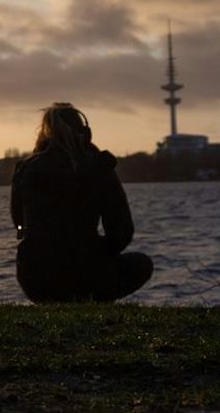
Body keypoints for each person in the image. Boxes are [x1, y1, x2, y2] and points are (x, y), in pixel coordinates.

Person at [10, 102, 153, 303]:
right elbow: (122, 231)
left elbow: (18, 222)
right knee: (142, 264)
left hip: (36, 279)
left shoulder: (26, 169)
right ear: (85, 132)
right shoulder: (99, 166)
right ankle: (91, 296)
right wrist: (96, 253)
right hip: (87, 276)